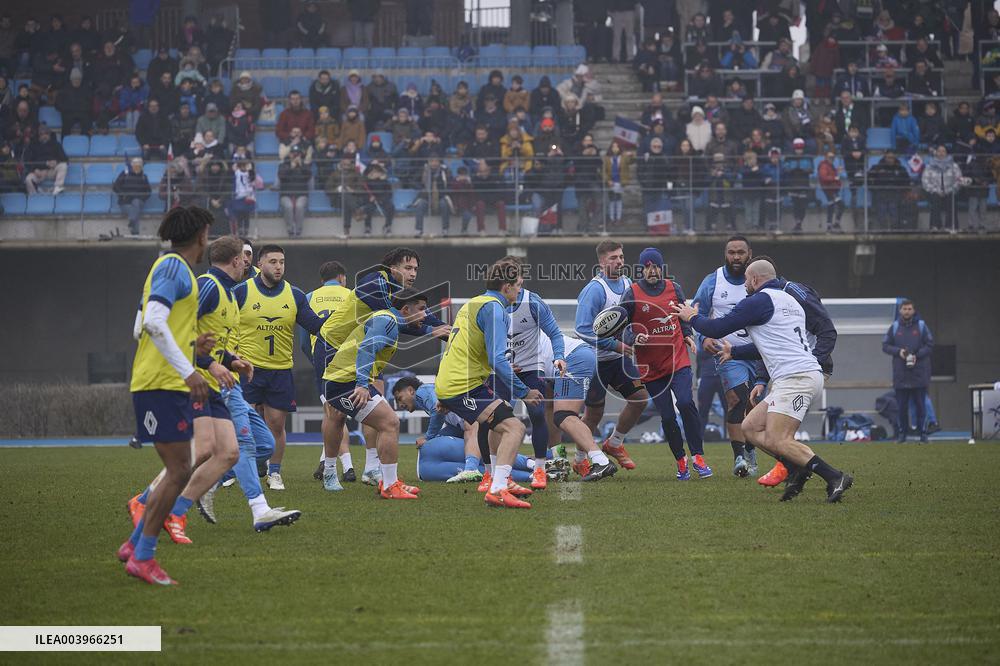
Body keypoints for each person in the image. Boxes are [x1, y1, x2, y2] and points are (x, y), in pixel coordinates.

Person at [675, 259, 854, 503]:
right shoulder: (789, 301)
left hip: (797, 378)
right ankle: (795, 468)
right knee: (750, 428)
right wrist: (735, 353)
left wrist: (692, 317)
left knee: (779, 439)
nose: (745, 285)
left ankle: (834, 476)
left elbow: (718, 327)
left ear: (755, 280)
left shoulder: (759, 300)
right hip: (794, 376)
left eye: (747, 280)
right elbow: (773, 345)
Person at [116, 207, 214, 585]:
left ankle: (135, 545)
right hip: (161, 383)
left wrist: (192, 345)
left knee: (179, 469)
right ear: (202, 235)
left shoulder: (171, 268)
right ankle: (143, 556)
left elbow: (140, 327)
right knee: (178, 470)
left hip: (161, 381)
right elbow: (152, 324)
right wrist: (188, 370)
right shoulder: (174, 267)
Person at [435, 259, 544, 508]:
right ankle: (497, 488)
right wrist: (524, 391)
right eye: (517, 285)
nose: (520, 289)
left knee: (500, 422)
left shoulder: (473, 303)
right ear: (506, 287)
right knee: (514, 428)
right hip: (463, 385)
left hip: (458, 381)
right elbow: (497, 359)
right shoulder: (495, 309)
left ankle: (499, 479)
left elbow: (462, 349)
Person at [232, 245, 326, 491]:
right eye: (272, 261)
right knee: (244, 423)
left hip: (280, 371)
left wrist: (341, 320)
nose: (278, 266)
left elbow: (316, 326)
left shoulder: (294, 295)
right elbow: (225, 326)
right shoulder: (241, 292)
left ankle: (274, 473)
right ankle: (242, 469)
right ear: (260, 265)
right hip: (247, 370)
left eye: (282, 262)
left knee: (276, 424)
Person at [323, 289, 429, 499]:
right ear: (406, 309)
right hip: (343, 382)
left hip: (348, 378)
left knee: (344, 420)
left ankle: (388, 481)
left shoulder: (389, 321)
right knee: (390, 423)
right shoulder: (387, 321)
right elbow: (366, 349)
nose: (425, 315)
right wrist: (362, 384)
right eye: (422, 309)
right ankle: (388, 485)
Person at [621, 247, 709, 480]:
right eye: (647, 266)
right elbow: (621, 326)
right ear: (641, 269)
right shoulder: (632, 293)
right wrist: (632, 337)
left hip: (678, 359)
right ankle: (681, 461)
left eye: (656, 266)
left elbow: (683, 315)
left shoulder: (674, 288)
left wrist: (688, 333)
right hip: (651, 368)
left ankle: (698, 456)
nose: (652, 270)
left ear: (661, 268)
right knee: (668, 417)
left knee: (686, 402)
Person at [575, 241, 652, 472]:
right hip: (594, 360)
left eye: (621, 256)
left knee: (640, 398)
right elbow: (581, 329)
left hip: (618, 359)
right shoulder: (595, 290)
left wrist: (634, 336)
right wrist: (615, 345)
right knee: (594, 413)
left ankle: (615, 442)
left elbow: (629, 319)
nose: (619, 261)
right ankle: (580, 459)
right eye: (613, 258)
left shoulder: (628, 283)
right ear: (601, 262)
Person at [690, 236, 758, 477]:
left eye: (741, 252)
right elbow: (695, 313)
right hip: (728, 354)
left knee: (754, 404)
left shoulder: (759, 280)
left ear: (750, 253)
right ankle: (740, 457)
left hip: (760, 354)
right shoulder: (713, 281)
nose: (736, 257)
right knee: (736, 400)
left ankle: (751, 448)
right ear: (725, 254)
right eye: (731, 252)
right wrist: (703, 338)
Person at [299, 262, 354, 487]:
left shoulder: (310, 296)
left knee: (332, 414)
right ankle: (352, 465)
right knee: (337, 415)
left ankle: (336, 463)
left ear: (323, 280)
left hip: (323, 361)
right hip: (350, 360)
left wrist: (315, 360)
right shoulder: (352, 295)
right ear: (342, 277)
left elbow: (303, 341)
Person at [882, 299, 933, 442]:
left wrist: (917, 355)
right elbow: (885, 346)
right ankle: (902, 435)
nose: (907, 311)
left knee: (921, 407)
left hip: (919, 374)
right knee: (902, 407)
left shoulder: (922, 326)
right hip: (901, 375)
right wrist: (899, 352)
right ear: (900, 311)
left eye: (909, 309)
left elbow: (930, 345)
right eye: (904, 309)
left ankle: (923, 434)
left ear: (914, 310)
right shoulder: (895, 327)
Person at [921, 144, 964, 231]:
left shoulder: (954, 165)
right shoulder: (929, 166)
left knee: (951, 199)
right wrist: (935, 190)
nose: (941, 153)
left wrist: (949, 190)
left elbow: (959, 180)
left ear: (947, 153)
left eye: (943, 151)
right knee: (935, 199)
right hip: (934, 192)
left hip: (950, 191)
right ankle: (935, 226)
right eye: (939, 151)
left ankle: (951, 226)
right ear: (935, 152)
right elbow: (925, 181)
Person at [22, 124, 67, 195]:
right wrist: (34, 170)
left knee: (63, 165)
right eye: (42, 134)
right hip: (38, 172)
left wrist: (56, 162)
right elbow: (28, 162)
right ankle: (34, 196)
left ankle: (58, 187)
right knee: (28, 179)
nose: (44, 136)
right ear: (39, 135)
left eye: (46, 133)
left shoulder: (56, 144)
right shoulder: (33, 145)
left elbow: (65, 159)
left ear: (49, 134)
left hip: (52, 171)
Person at [113, 157, 152, 235]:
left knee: (136, 202)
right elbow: (115, 186)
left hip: (139, 201)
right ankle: (135, 232)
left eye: (139, 166)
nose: (137, 167)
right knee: (135, 210)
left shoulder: (144, 177)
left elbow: (148, 191)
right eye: (135, 165)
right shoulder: (124, 174)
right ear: (132, 166)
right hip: (125, 202)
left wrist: (142, 198)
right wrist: (123, 195)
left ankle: (132, 222)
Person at [278, 146, 311, 237]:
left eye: (298, 154)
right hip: (286, 194)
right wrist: (291, 167)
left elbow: (308, 176)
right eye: (293, 153)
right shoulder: (283, 165)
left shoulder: (305, 165)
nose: (295, 155)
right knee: (288, 206)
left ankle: (299, 229)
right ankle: (290, 229)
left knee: (299, 206)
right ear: (290, 154)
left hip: (301, 194)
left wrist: (301, 166)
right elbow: (281, 177)